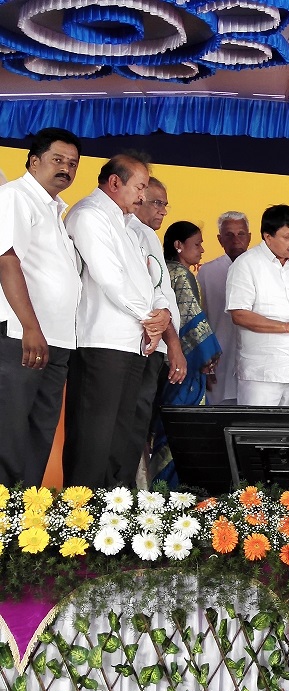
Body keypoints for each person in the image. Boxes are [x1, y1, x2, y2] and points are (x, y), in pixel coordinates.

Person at [63, 154, 174, 488]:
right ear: (114, 182)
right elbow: (110, 277)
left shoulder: (128, 226)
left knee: (120, 439)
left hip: (132, 342)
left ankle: (113, 510)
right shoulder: (89, 215)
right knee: (93, 437)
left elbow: (150, 280)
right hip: (102, 341)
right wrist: (150, 318)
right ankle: (81, 510)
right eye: (139, 187)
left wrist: (161, 313)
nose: (142, 195)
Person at [0, 128, 82, 486]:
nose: (66, 168)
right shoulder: (15, 197)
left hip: (56, 339)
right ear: (34, 162)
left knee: (39, 434)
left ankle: (25, 510)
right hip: (23, 335)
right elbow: (7, 261)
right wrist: (30, 327)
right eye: (57, 160)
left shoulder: (54, 210)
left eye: (73, 164)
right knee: (10, 431)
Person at [225, 205, 289, 406]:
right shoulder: (246, 264)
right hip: (261, 374)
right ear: (268, 237)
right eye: (288, 236)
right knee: (258, 426)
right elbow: (239, 314)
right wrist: (287, 327)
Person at [150, 221, 223, 485]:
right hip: (184, 363)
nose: (202, 250)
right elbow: (191, 319)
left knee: (163, 423)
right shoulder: (181, 274)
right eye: (197, 244)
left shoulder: (164, 269)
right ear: (178, 245)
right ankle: (176, 487)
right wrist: (209, 355)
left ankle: (158, 483)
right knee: (183, 425)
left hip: (162, 358)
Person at [127, 173, 184, 485]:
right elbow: (151, 298)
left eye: (165, 204)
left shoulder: (147, 235)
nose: (163, 210)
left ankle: (140, 489)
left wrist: (172, 345)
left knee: (142, 423)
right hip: (142, 344)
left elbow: (162, 295)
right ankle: (131, 491)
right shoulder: (132, 232)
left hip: (154, 347)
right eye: (156, 202)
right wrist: (173, 345)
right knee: (134, 422)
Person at [197, 211, 251, 405]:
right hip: (219, 358)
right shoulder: (207, 271)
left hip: (256, 359)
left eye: (241, 234)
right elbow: (201, 320)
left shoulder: (262, 268)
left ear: (249, 237)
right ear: (220, 239)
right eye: (229, 235)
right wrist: (204, 360)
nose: (236, 240)